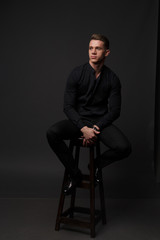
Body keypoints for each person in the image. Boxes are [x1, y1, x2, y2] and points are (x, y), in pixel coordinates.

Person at [47, 33, 131, 195]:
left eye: (98, 48)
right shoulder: (77, 73)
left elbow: (115, 111)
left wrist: (96, 127)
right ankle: (74, 173)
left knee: (124, 147)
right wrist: (83, 128)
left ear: (106, 52)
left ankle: (95, 165)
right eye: (91, 48)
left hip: (100, 122)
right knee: (52, 133)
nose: (93, 52)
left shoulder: (113, 79)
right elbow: (68, 107)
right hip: (78, 121)